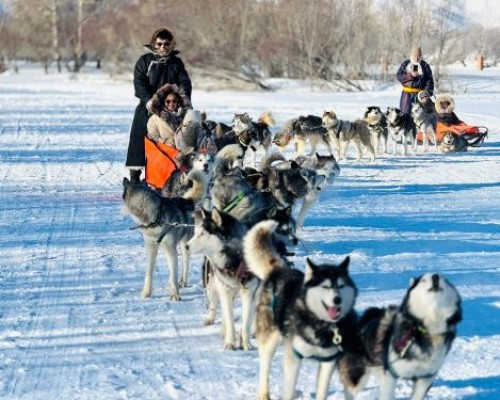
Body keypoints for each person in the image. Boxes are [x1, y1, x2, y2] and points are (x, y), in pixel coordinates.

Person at [125, 28, 192, 183]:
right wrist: (148, 100)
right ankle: (135, 177)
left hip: (170, 106)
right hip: (147, 106)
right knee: (139, 139)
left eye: (166, 44)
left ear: (171, 45)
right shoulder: (145, 61)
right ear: (154, 43)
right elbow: (139, 83)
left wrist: (183, 102)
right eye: (159, 43)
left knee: (171, 139)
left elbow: (185, 84)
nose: (162, 47)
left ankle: (169, 173)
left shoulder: (176, 63)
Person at [147, 83, 216, 154]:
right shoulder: (154, 119)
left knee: (198, 123)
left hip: (190, 145)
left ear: (178, 102)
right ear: (162, 102)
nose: (171, 103)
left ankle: (208, 152)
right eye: (168, 101)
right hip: (170, 149)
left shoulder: (184, 115)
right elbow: (153, 138)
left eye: (174, 101)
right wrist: (168, 141)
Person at [396, 46, 434, 115]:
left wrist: (426, 93)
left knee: (421, 115)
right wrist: (410, 75)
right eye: (415, 56)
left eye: (419, 56)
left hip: (421, 95)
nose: (417, 58)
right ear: (411, 55)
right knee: (405, 114)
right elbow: (399, 76)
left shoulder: (425, 66)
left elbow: (429, 81)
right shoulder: (405, 64)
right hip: (407, 95)